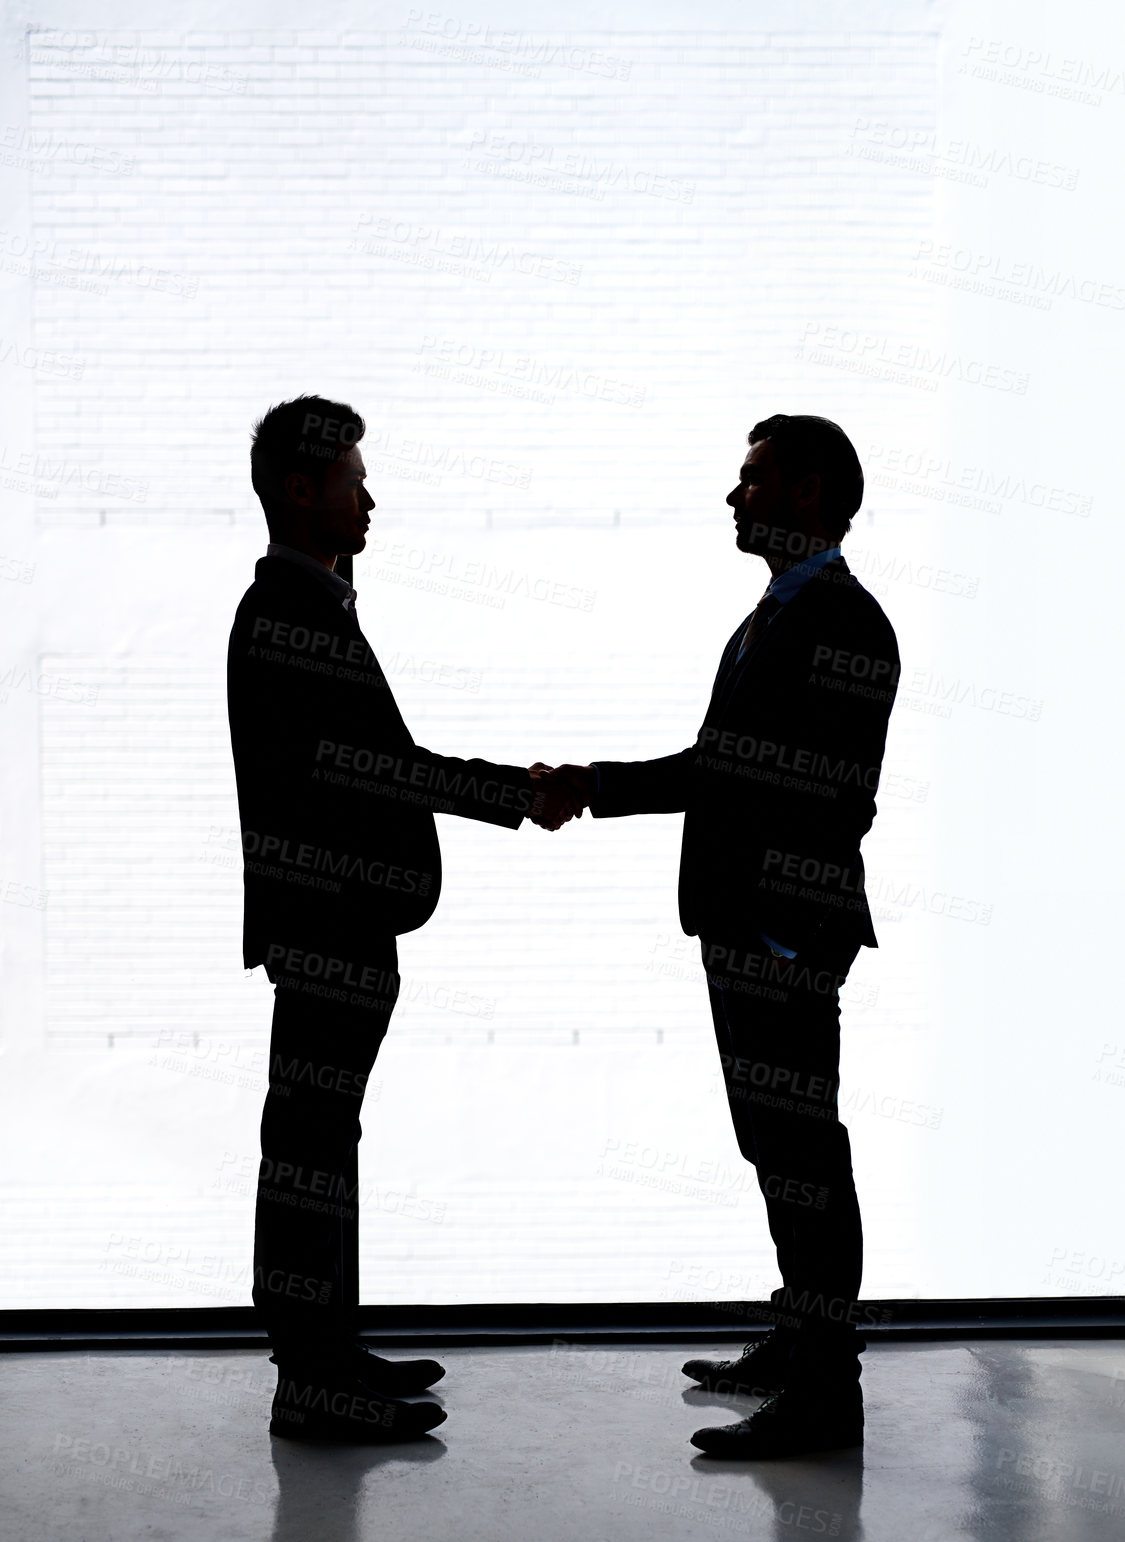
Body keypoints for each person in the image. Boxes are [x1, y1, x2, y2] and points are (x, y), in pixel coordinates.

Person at [545, 414, 900, 1458]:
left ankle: (828, 1392)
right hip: (745, 928)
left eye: (753, 481)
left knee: (805, 1156)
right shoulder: (772, 616)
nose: (734, 497)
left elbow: (772, 781)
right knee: (775, 1148)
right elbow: (732, 765)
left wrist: (589, 789)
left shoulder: (841, 620)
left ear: (810, 493)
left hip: (781, 936)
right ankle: (798, 1344)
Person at [228, 396, 575, 1443]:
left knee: (324, 1139)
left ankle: (329, 1354)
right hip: (327, 926)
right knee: (311, 1145)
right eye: (352, 479)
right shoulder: (291, 616)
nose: (369, 495)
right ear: (302, 490)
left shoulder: (314, 604)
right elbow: (379, 768)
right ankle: (310, 1375)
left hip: (339, 926)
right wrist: (516, 791)